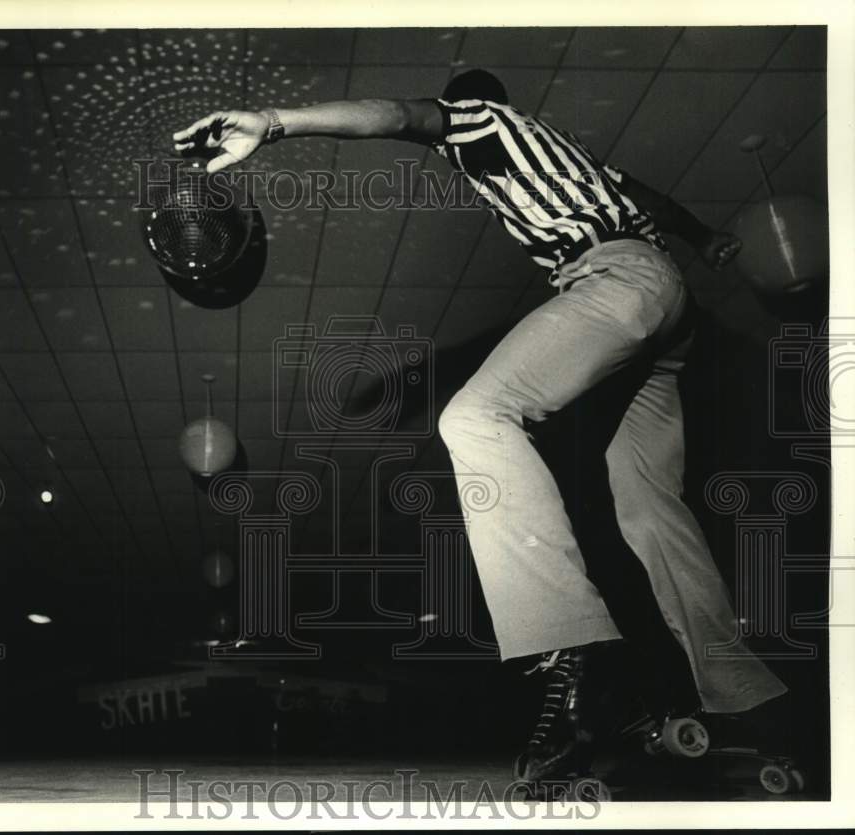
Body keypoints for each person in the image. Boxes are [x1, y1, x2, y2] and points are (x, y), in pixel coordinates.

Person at [174, 69, 788, 782]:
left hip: (619, 282)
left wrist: (274, 120)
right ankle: (746, 698)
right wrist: (704, 235)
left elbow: (395, 113)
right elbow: (644, 196)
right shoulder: (562, 148)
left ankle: (578, 657)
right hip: (666, 312)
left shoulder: (480, 119)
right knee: (649, 506)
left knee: (475, 416)